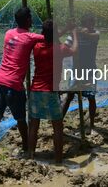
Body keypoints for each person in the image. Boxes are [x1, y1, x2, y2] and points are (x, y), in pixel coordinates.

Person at [0, 7, 44, 157]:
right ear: (27, 20)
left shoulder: (8, 34)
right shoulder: (30, 37)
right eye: (30, 18)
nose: (32, 20)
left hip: (0, 80)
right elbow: (48, 37)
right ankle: (26, 146)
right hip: (14, 85)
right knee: (20, 118)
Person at [28, 20, 78, 163]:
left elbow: (48, 37)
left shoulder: (36, 47)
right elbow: (74, 50)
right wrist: (74, 33)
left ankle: (31, 155)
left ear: (42, 33)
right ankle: (58, 159)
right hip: (50, 91)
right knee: (57, 126)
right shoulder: (59, 49)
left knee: (34, 125)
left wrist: (61, 31)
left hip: (36, 90)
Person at [61, 12, 100, 134]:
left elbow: (93, 36)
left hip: (90, 70)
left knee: (91, 97)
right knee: (69, 96)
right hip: (76, 70)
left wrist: (79, 32)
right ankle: (59, 122)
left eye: (92, 24)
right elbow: (65, 46)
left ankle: (91, 125)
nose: (90, 26)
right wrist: (73, 32)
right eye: (88, 23)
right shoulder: (74, 35)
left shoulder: (95, 33)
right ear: (84, 24)